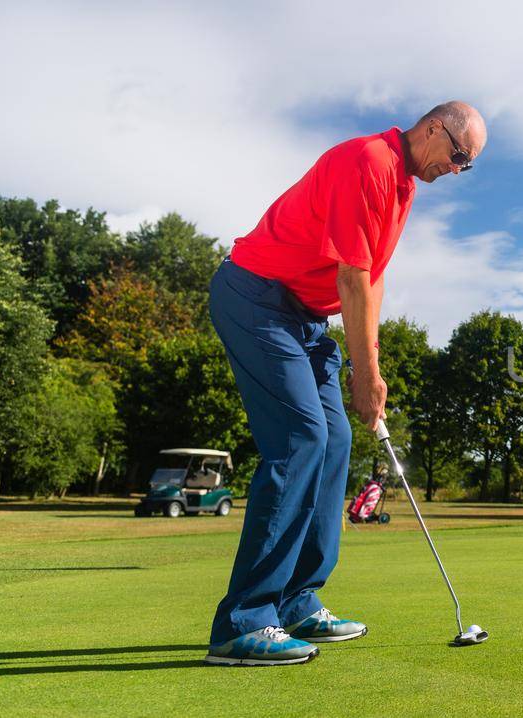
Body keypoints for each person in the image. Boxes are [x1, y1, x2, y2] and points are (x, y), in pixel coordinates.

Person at [204, 101, 486, 666]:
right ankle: (244, 621)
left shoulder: (403, 187)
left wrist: (370, 368)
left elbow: (374, 282)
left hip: (304, 318)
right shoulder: (369, 160)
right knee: (302, 437)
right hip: (256, 297)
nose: (455, 171)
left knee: (335, 439)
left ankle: (297, 600)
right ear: (434, 128)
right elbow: (351, 277)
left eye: (467, 166)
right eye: (458, 156)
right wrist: (365, 373)